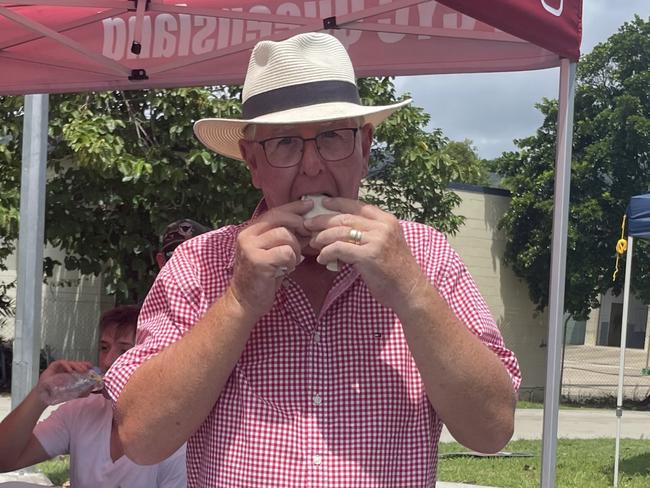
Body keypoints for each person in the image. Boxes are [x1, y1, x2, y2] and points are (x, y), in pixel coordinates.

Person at [105, 32, 521, 486]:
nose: (311, 167)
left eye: (331, 138)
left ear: (364, 148)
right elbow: (141, 439)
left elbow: (491, 431)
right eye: (284, 143)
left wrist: (410, 290)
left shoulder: (424, 254)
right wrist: (239, 300)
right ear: (251, 160)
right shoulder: (198, 264)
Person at [0, 305, 186, 487]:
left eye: (124, 350)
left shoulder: (175, 437)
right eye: (104, 347)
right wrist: (41, 395)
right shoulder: (82, 409)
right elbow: (4, 460)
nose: (107, 361)